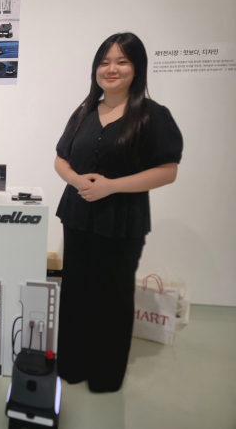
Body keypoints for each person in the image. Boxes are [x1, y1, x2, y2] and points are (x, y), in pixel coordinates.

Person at [54, 33, 183, 392]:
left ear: (136, 68)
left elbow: (167, 171)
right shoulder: (84, 112)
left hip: (122, 220)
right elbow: (60, 159)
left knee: (113, 296)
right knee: (76, 291)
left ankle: (105, 375)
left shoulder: (152, 115)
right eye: (104, 62)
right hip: (78, 217)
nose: (111, 69)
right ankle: (73, 365)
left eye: (121, 61)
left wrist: (110, 186)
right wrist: (77, 180)